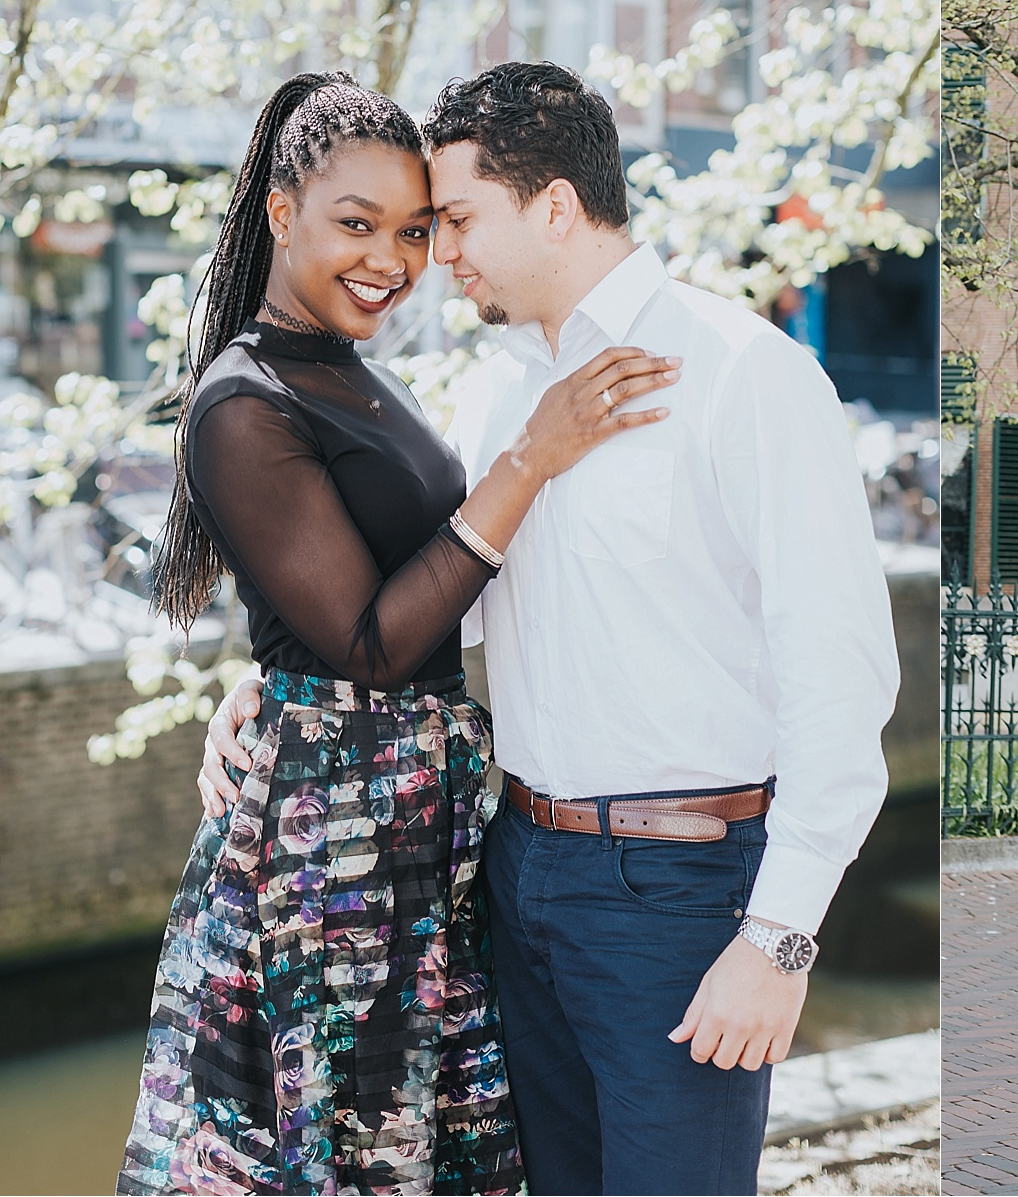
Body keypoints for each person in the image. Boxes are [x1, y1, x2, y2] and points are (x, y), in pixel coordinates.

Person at [202, 62, 900, 1195]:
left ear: (557, 208)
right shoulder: (493, 393)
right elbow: (423, 606)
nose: (440, 256)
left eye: (456, 220)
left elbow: (842, 674)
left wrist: (778, 940)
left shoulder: (744, 375)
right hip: (511, 868)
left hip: (676, 892)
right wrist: (278, 685)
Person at [120, 73, 677, 1195]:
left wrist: (263, 672)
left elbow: (359, 591)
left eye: (418, 230)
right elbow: (367, 647)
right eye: (357, 225)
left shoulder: (355, 371)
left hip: (416, 819)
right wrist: (529, 459)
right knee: (349, 1150)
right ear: (282, 213)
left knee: (426, 1148)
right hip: (338, 839)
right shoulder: (245, 397)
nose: (391, 258)